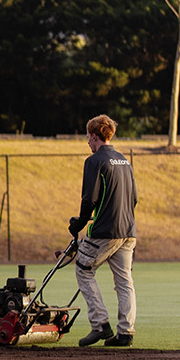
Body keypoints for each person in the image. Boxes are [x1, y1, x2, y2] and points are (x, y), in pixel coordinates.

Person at [69, 114, 138, 347]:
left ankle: (100, 325)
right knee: (124, 280)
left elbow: (90, 199)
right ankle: (126, 332)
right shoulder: (124, 160)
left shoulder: (94, 161)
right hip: (128, 230)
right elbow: (134, 198)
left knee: (83, 268)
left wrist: (79, 223)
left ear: (95, 136)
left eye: (88, 137)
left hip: (105, 231)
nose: (87, 141)